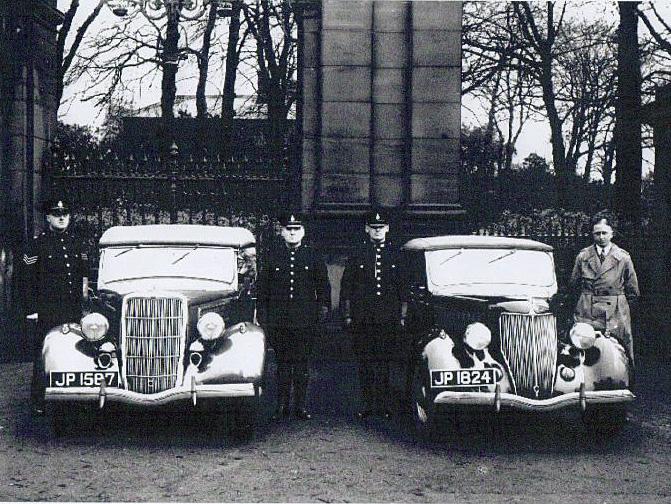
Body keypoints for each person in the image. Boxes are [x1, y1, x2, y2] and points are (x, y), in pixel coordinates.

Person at [256, 213, 330, 420]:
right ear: (282, 232)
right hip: (279, 321)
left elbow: (323, 287)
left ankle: (300, 406)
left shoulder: (312, 256)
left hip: (305, 321)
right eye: (288, 229)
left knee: (301, 364)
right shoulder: (273, 256)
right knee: (281, 364)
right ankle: (281, 405)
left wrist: (323, 309)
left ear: (303, 232)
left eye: (296, 229)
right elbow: (263, 289)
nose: (292, 233)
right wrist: (262, 314)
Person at [22, 198, 89, 414]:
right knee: (44, 352)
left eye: (65, 214)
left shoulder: (76, 242)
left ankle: (72, 398)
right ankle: (39, 400)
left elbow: (84, 276)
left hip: (72, 308)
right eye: (56, 214)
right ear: (48, 217)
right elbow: (26, 279)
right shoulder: (37, 244)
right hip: (48, 309)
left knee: (75, 349)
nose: (62, 218)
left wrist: (84, 303)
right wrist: (31, 309)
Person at [340, 210, 407, 419]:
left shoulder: (396, 254)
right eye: (373, 227)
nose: (377, 231)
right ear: (367, 229)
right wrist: (348, 315)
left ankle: (384, 405)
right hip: (364, 319)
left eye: (381, 227)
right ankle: (368, 405)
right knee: (366, 363)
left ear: (387, 229)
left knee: (384, 363)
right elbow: (347, 287)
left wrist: (402, 316)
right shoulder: (358, 253)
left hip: (388, 318)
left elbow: (403, 288)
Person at [570, 213, 639, 364]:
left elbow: (633, 290)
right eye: (597, 233)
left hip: (614, 312)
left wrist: (621, 308)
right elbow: (573, 285)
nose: (601, 237)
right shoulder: (583, 257)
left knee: (619, 354)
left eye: (604, 233)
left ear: (612, 234)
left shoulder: (623, 258)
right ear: (592, 234)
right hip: (587, 309)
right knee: (584, 349)